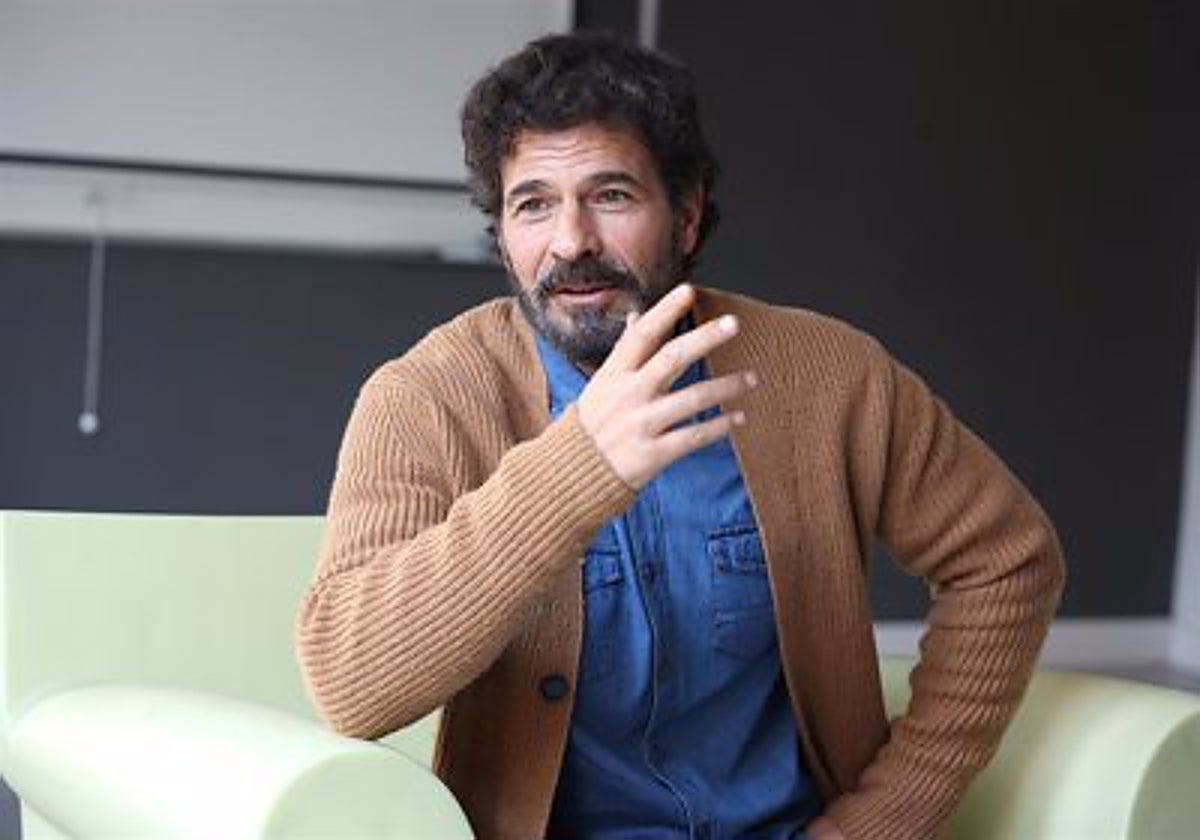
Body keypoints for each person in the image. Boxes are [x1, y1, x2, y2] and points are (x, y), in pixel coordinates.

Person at [296, 31, 1064, 840]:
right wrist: (577, 468)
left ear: (687, 217)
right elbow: (352, 684)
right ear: (503, 237)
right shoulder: (425, 399)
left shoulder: (829, 375)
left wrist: (882, 820)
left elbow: (1008, 558)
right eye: (533, 204)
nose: (571, 241)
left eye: (612, 196)